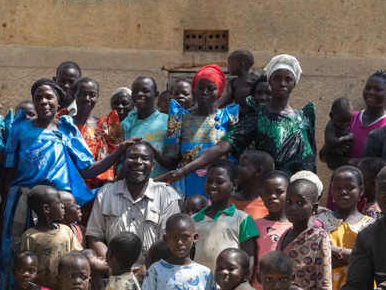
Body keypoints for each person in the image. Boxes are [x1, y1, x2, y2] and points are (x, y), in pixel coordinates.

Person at [0, 79, 134, 290]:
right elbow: (9, 171)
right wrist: (4, 208)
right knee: (20, 255)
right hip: (22, 204)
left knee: (59, 257)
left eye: (48, 97)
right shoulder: (20, 128)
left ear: (58, 101)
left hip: (57, 208)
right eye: (38, 97)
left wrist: (119, 151)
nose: (43, 101)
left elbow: (88, 169)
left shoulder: (66, 129)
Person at [159, 54, 316, 183]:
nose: (282, 83)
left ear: (294, 83)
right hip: (270, 195)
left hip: (302, 194)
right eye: (277, 78)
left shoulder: (304, 117)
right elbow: (222, 147)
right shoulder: (257, 115)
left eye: (288, 79)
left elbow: (312, 159)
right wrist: (183, 171)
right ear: (269, 81)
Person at [85, 142, 182, 264]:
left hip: (154, 274)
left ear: (152, 166)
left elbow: (168, 241)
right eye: (133, 157)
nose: (138, 161)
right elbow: (95, 236)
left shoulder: (167, 195)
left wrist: (144, 270)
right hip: (113, 273)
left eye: (144, 158)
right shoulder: (106, 193)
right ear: (123, 162)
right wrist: (113, 267)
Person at [156, 64, 238, 197]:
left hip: (219, 185)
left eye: (211, 88)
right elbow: (171, 159)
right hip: (187, 184)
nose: (204, 91)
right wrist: (152, 150)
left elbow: (233, 159)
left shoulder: (228, 117)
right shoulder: (180, 117)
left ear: (219, 92)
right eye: (201, 87)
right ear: (194, 89)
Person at [278, 178, 332, 290]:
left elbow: (324, 282)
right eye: (289, 201)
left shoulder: (319, 237)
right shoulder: (285, 235)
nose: (293, 207)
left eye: (300, 203)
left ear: (314, 208)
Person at [192, 159, 258, 271]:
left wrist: (241, 286)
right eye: (208, 181)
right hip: (198, 286)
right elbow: (189, 257)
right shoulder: (193, 220)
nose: (212, 186)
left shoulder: (242, 219)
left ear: (234, 184)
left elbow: (249, 262)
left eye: (219, 182)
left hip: (229, 286)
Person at [319, 166, 376, 290]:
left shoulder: (371, 225)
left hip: (361, 289)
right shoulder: (320, 221)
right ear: (331, 191)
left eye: (349, 188)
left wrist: (331, 248)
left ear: (361, 191)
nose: (343, 192)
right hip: (327, 288)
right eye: (337, 188)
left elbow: (369, 260)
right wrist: (351, 257)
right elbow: (317, 260)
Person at [20, 185, 83, 289]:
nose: (63, 206)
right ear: (46, 208)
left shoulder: (66, 230)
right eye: (59, 203)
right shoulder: (30, 236)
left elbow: (78, 255)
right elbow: (25, 265)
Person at [342, 71, 386, 165]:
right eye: (368, 88)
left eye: (378, 89)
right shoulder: (351, 118)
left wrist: (354, 162)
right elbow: (326, 157)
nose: (371, 92)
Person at [252, 171, 292, 290]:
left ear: (290, 194)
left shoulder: (295, 227)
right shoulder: (254, 224)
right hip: (257, 289)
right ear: (261, 195)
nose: (273, 196)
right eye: (267, 192)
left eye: (279, 192)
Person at [122, 76, 169, 178]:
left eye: (145, 91)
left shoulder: (168, 121)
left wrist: (153, 151)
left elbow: (173, 161)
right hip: (133, 186)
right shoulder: (126, 125)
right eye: (135, 91)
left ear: (155, 95)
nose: (139, 94)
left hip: (162, 186)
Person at [71, 77, 114, 188]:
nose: (87, 98)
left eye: (92, 95)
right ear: (74, 95)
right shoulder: (66, 124)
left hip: (97, 188)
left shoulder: (104, 125)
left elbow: (111, 158)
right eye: (81, 94)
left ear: (97, 98)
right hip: (70, 185)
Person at [231, 150, 274, 219]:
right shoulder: (228, 200)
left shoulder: (269, 204)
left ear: (258, 171)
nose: (236, 168)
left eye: (242, 165)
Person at [318, 97, 354, 171]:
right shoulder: (331, 125)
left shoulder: (347, 119)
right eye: (340, 121)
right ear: (331, 116)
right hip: (333, 159)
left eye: (348, 121)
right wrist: (347, 137)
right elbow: (330, 140)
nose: (344, 124)